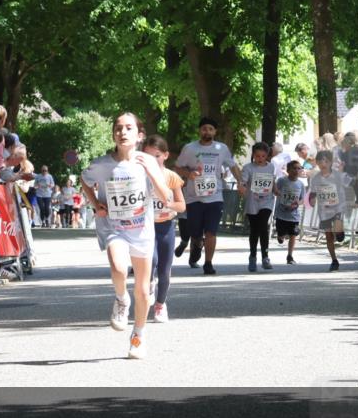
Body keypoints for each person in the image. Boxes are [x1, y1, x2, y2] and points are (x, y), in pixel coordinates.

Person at [81, 113, 170, 359]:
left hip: (141, 230)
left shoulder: (149, 162)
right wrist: (95, 205)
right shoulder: (102, 164)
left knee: (143, 291)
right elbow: (84, 179)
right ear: (113, 134)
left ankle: (138, 335)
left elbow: (166, 197)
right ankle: (121, 300)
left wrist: (150, 172)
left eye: (128, 128)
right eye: (118, 128)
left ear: (139, 135)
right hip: (114, 227)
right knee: (119, 269)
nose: (122, 132)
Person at [175, 117, 241, 274]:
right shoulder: (190, 148)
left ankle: (208, 263)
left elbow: (233, 165)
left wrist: (241, 182)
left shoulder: (222, 148)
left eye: (210, 129)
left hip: (215, 196)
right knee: (195, 233)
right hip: (194, 197)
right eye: (204, 128)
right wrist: (188, 173)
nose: (207, 132)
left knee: (211, 232)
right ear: (200, 131)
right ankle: (197, 243)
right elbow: (177, 167)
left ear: (215, 131)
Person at [142, 135, 185, 324]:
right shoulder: (138, 177)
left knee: (165, 270)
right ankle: (149, 283)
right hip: (145, 226)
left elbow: (182, 206)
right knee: (151, 260)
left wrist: (169, 203)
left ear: (166, 155)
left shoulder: (171, 176)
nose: (152, 161)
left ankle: (160, 305)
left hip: (166, 225)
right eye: (147, 157)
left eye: (157, 156)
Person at [308, 150, 352, 271]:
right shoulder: (316, 178)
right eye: (321, 161)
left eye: (326, 161)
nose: (324, 164)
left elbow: (351, 183)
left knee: (338, 233)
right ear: (317, 163)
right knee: (328, 236)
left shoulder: (338, 175)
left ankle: (339, 232)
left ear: (331, 162)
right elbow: (313, 192)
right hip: (324, 211)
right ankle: (334, 260)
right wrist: (312, 199)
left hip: (338, 207)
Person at [240, 142, 277, 272]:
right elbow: (243, 182)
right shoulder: (248, 168)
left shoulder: (271, 167)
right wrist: (242, 188)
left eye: (263, 156)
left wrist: (276, 190)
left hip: (266, 201)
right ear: (253, 155)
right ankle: (253, 256)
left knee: (263, 226)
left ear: (267, 156)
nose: (260, 159)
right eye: (257, 156)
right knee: (255, 230)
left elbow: (272, 180)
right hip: (253, 201)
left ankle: (265, 257)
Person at [274, 160, 305, 265]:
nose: (296, 170)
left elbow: (302, 199)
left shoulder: (301, 184)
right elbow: (275, 191)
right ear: (288, 170)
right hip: (281, 214)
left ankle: (290, 256)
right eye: (294, 168)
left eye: (299, 168)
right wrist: (279, 194)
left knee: (293, 235)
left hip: (294, 215)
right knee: (281, 234)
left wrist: (297, 203)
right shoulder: (282, 181)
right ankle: (280, 236)